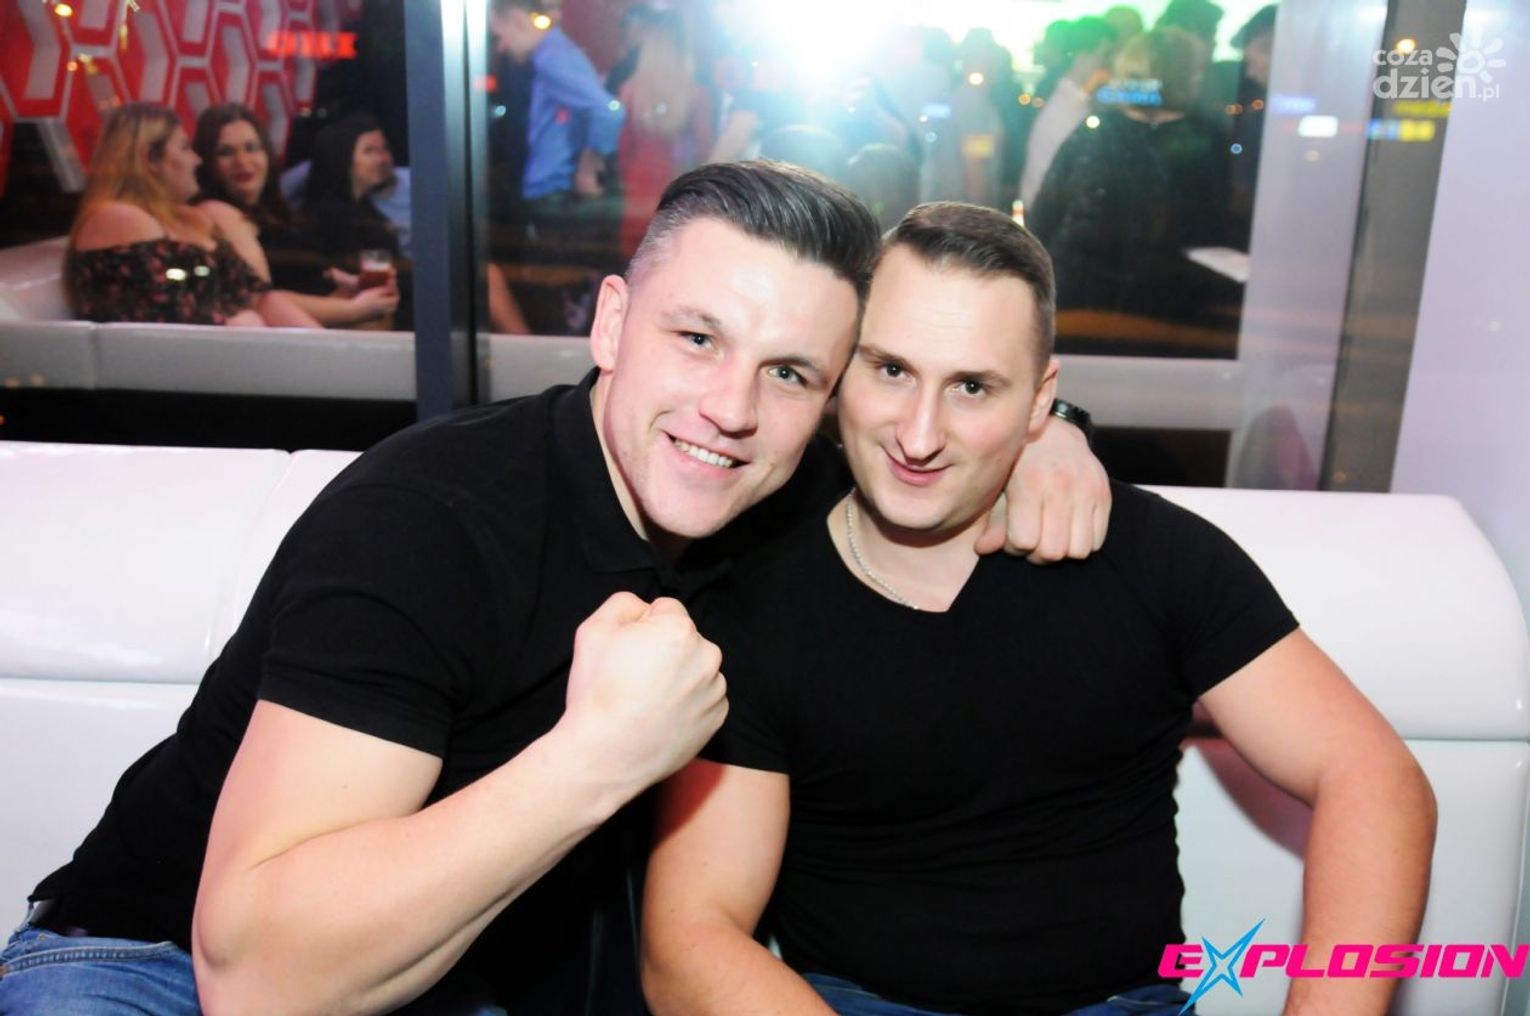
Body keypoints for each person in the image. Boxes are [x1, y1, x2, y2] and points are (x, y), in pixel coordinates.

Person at [2, 162, 1109, 1015]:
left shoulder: (786, 492)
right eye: (697, 338)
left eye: (788, 372)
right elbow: (258, 978)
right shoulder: (432, 517)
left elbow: (941, 436)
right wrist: (599, 755)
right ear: (612, 323)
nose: (731, 408)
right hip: (150, 966)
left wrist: (1048, 436)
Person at [641, 201, 1437, 1016]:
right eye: (892, 370)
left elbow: (1375, 778)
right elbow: (690, 941)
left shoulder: (1152, 557)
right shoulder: (757, 591)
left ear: (1039, 400)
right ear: (842, 366)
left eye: (972, 387)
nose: (920, 434)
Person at [1027, 28, 1233, 342]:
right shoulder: (1207, 138)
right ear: (1186, 76)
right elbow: (1215, 228)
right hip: (1170, 304)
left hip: (1081, 298)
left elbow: (1045, 215)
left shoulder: (1095, 133)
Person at [64, 102, 316, 328]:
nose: (197, 160)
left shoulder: (189, 219)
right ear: (150, 158)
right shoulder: (119, 218)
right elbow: (170, 320)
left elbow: (255, 295)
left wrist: (322, 347)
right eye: (185, 148)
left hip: (231, 349)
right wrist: (241, 325)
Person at [192, 103, 399, 328]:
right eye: (226, 152)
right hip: (299, 337)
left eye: (251, 148)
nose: (243, 161)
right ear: (206, 161)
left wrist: (346, 284)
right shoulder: (217, 211)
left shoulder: (271, 211)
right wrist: (357, 308)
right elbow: (262, 300)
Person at [303, 111, 413, 328]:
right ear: (341, 156)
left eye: (384, 149)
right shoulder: (331, 218)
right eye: (369, 151)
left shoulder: (367, 213)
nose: (383, 159)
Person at [1018, 17, 1116, 209]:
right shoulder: (1069, 109)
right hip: (1051, 213)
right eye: (1105, 55)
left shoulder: (1071, 99)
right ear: (1082, 56)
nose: (1109, 63)